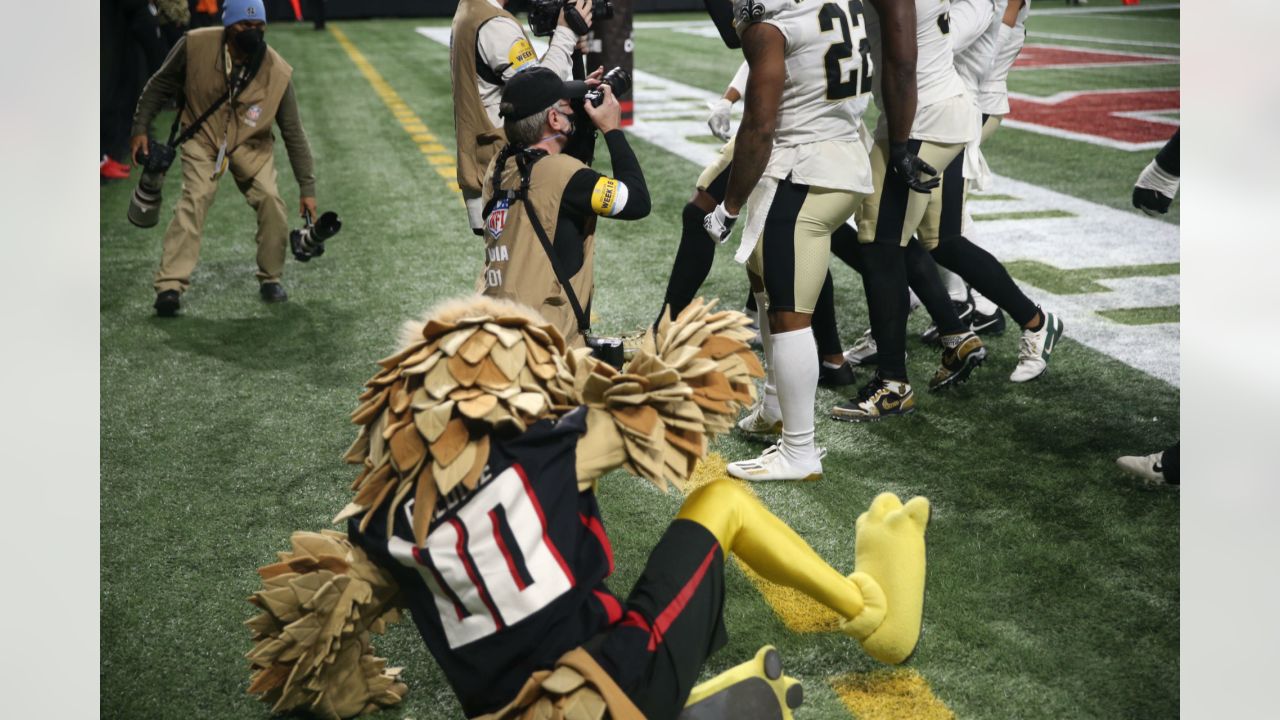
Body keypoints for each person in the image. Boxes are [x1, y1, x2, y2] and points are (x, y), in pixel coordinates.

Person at [245, 294, 932, 719]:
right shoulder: (549, 454)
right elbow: (689, 385)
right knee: (721, 498)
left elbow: (324, 606)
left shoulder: (379, 522)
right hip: (604, 691)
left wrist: (341, 690)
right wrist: (602, 367)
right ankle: (872, 612)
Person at [827, 0, 1000, 422]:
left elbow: (903, 64)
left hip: (921, 118)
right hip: (925, 112)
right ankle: (956, 335)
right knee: (893, 235)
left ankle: (893, 384)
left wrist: (901, 147)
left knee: (879, 244)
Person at [656, 62, 858, 393]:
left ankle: (664, 331)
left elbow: (766, 42)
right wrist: (730, 98)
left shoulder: (785, 14)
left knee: (792, 236)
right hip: (826, 128)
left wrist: (732, 206)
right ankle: (833, 357)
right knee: (804, 234)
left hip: (789, 128)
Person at [130, 0, 318, 316]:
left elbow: (294, 133)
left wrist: (307, 189)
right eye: (245, 26)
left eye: (259, 26)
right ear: (229, 26)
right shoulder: (194, 44)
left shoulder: (278, 72)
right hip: (202, 138)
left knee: (271, 199)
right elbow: (159, 84)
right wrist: (140, 127)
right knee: (196, 197)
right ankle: (169, 286)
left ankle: (270, 277)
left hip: (250, 144)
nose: (253, 32)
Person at [479, 67, 650, 348]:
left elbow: (551, 175)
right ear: (554, 119)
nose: (574, 108)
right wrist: (611, 129)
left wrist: (578, 125)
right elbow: (637, 201)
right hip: (545, 341)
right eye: (566, 105)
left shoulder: (498, 167)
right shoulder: (564, 175)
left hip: (495, 329)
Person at [451, 0, 596, 236]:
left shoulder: (470, 9)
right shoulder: (494, 23)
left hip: (488, 168)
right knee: (530, 268)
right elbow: (536, 89)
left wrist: (570, 85)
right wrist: (566, 33)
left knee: (506, 267)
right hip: (507, 174)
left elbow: (522, 83)